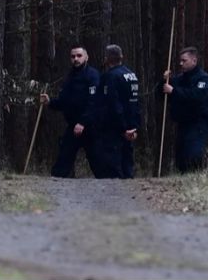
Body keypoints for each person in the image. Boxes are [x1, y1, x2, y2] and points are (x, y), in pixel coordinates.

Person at [39, 45, 100, 178]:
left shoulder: (93, 76)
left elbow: (94, 103)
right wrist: (50, 102)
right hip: (73, 127)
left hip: (90, 127)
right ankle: (55, 187)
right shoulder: (69, 77)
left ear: (86, 57)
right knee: (63, 161)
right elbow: (64, 102)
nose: (76, 59)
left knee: (99, 163)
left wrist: (83, 123)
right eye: (73, 56)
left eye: (79, 56)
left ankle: (111, 189)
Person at [91, 44, 140, 179]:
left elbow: (113, 104)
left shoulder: (110, 77)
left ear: (106, 59)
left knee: (113, 166)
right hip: (130, 124)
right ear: (121, 57)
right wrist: (134, 126)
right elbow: (135, 102)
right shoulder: (131, 75)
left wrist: (123, 127)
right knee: (127, 160)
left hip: (114, 127)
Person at [162, 47, 208, 173]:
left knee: (194, 155)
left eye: (184, 61)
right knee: (181, 157)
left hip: (197, 123)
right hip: (182, 123)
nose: (181, 63)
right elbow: (162, 92)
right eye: (180, 61)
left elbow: (196, 96)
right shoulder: (179, 79)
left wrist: (174, 91)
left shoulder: (203, 78)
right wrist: (164, 80)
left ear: (194, 61)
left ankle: (197, 180)